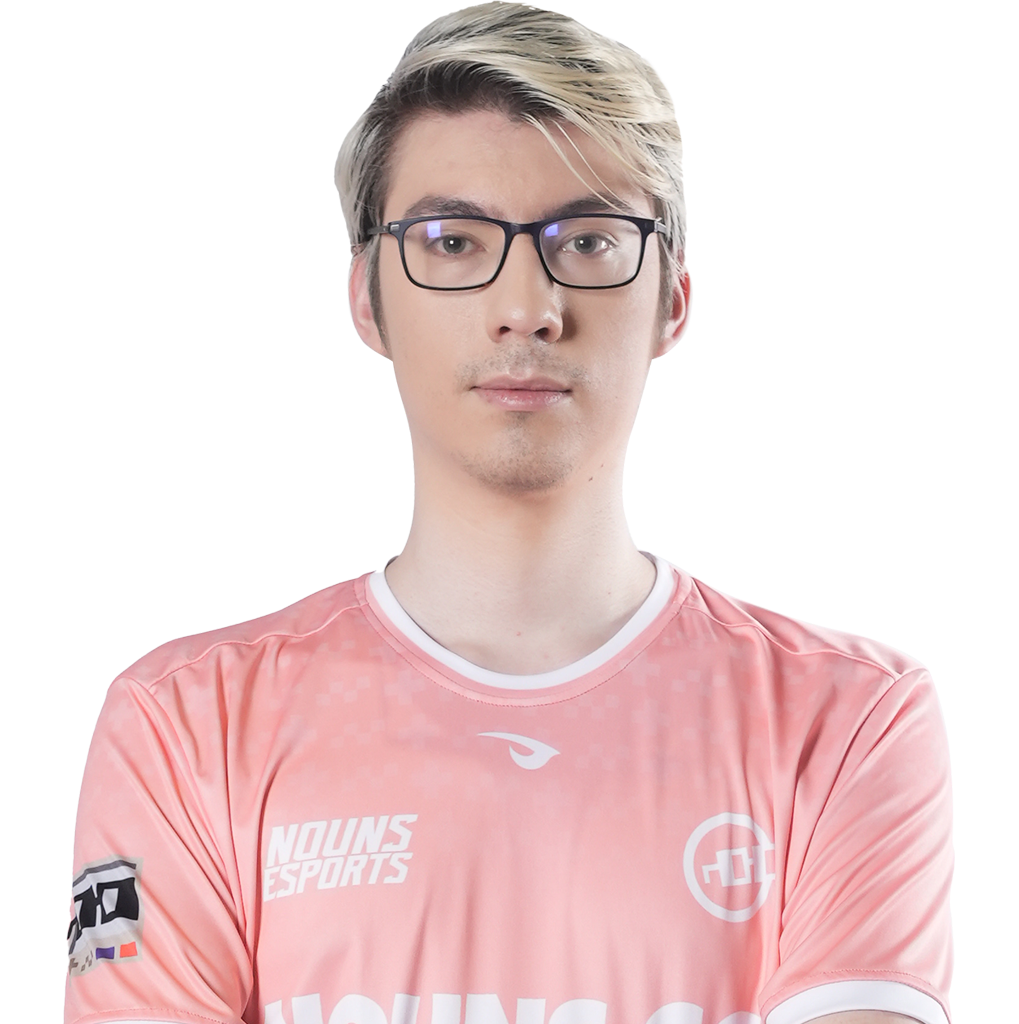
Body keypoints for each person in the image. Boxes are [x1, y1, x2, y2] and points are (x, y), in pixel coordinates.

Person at [64, 4, 953, 1024]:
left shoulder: (848, 723)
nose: (526, 306)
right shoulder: (184, 723)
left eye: (589, 240)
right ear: (367, 300)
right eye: (452, 241)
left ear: (671, 301)